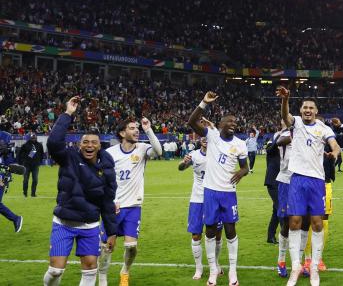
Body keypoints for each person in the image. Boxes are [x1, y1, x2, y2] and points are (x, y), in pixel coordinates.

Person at [43, 96, 118, 286]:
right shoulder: (68, 158)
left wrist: (111, 231)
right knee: (55, 271)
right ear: (79, 145)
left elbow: (108, 202)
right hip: (63, 223)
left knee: (90, 269)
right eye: (85, 142)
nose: (89, 145)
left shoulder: (107, 168)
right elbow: (53, 143)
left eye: (94, 142)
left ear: (100, 146)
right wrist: (68, 113)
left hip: (90, 226)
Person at [275, 86, 341, 286]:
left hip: (316, 181)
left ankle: (313, 268)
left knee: (317, 223)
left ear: (316, 111)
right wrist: (285, 99)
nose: (307, 110)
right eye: (305, 107)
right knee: (294, 221)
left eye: (311, 107)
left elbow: (334, 144)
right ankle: (296, 266)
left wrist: (335, 153)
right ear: (301, 109)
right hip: (296, 179)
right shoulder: (296, 124)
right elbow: (285, 117)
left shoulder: (323, 128)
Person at [187, 91, 250, 286]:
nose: (233, 124)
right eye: (229, 121)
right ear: (220, 124)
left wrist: (242, 172)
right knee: (210, 230)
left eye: (235, 122)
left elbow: (245, 166)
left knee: (230, 230)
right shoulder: (212, 136)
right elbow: (191, 122)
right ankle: (213, 271)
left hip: (229, 193)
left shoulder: (240, 144)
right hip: (211, 191)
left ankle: (232, 271)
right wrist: (204, 103)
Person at [98, 116, 164, 286]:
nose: (136, 131)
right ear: (122, 132)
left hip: (134, 206)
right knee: (107, 246)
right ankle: (103, 278)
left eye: (137, 128)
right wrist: (112, 200)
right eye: (132, 128)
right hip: (113, 207)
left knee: (131, 247)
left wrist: (148, 129)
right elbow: (104, 180)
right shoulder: (110, 153)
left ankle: (125, 271)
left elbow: (159, 151)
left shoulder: (142, 148)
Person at [303, 117, 343, 274]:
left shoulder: (328, 139)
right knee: (306, 221)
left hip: (325, 183)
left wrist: (341, 126)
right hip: (306, 181)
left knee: (323, 220)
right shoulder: (302, 138)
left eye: (320, 124)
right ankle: (307, 259)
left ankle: (318, 258)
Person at [179, 136, 223, 280]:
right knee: (196, 234)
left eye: (208, 137)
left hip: (214, 199)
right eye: (203, 137)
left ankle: (216, 263)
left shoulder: (218, 154)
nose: (205, 139)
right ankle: (199, 268)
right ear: (200, 140)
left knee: (217, 234)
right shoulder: (194, 155)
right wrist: (183, 162)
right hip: (197, 199)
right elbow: (181, 168)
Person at [272, 121, 293, 278]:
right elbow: (278, 142)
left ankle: (303, 262)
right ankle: (281, 261)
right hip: (286, 180)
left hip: (304, 180)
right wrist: (291, 131)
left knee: (304, 222)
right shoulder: (282, 134)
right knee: (286, 223)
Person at [264, 131, 281, 245]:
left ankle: (270, 236)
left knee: (276, 210)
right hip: (272, 182)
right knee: (281, 208)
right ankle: (287, 236)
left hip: (282, 181)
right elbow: (269, 149)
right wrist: (278, 138)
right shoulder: (272, 144)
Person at [18, 132, 43, 197]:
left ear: (36, 138)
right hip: (26, 165)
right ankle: (25, 193)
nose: (34, 139)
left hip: (35, 165)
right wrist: (21, 163)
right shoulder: (25, 145)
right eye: (32, 138)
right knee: (25, 180)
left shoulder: (39, 145)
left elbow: (42, 154)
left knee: (35, 180)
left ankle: (33, 194)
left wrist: (39, 161)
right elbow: (20, 154)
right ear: (30, 138)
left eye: (35, 138)